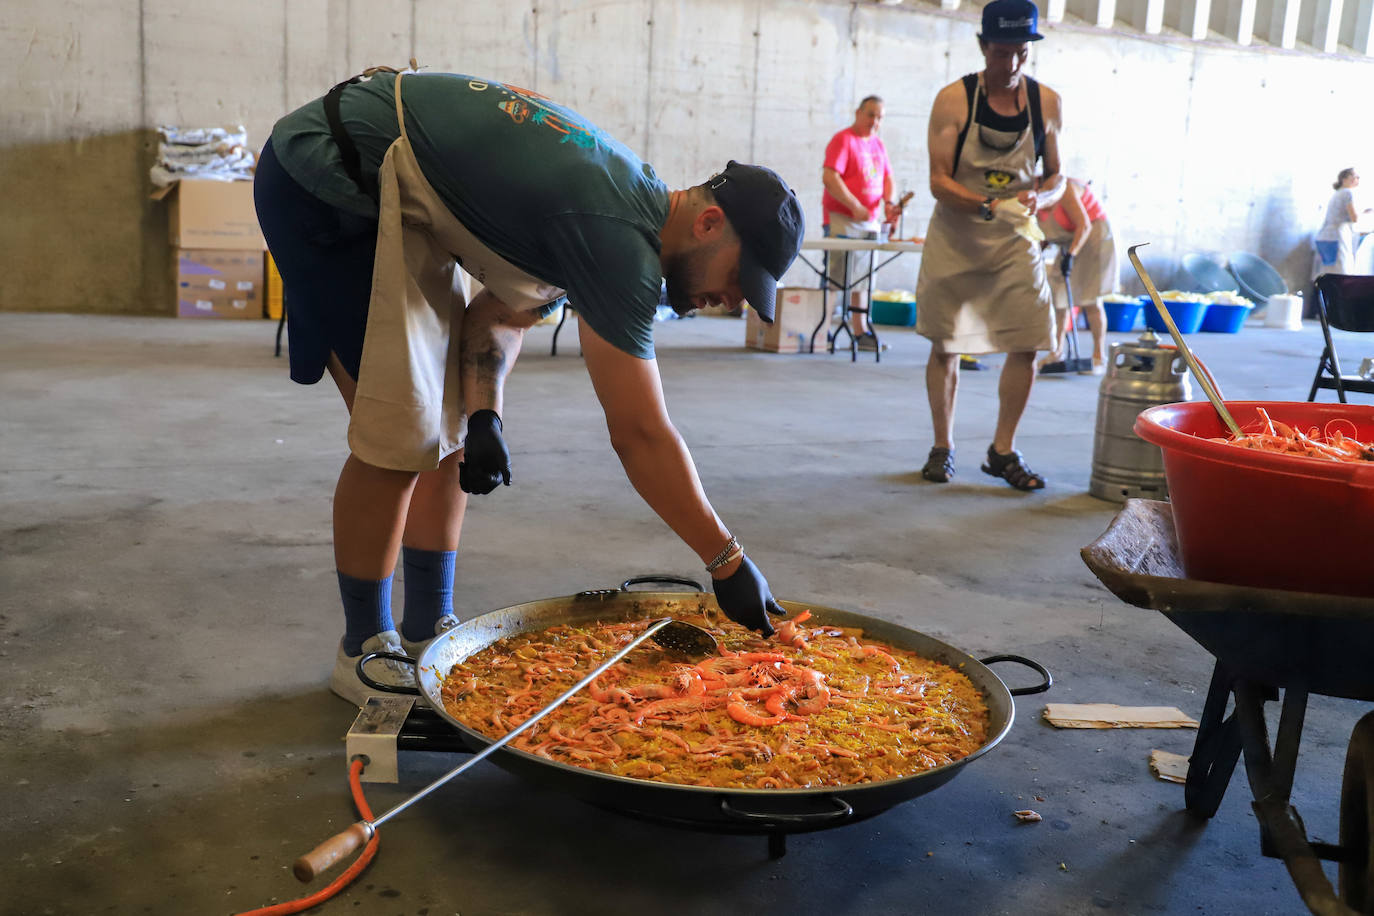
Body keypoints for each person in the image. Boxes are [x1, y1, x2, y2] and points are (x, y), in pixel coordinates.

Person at [253, 65, 804, 705]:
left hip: (392, 186)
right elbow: (641, 433)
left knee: (450, 425)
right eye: (742, 277)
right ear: (710, 224)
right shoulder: (617, 242)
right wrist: (726, 560)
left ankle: (429, 624)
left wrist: (486, 415)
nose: (732, 298)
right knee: (401, 429)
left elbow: (499, 314)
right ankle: (365, 649)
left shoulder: (627, 211)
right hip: (329, 178)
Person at [914, 0, 1064, 490]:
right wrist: (986, 204)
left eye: (1022, 53)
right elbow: (938, 180)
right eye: (1002, 53)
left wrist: (1043, 194)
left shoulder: (1047, 103)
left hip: (1015, 239)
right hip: (957, 238)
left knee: (1030, 340)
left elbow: (1059, 175)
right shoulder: (954, 100)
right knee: (946, 344)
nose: (1013, 64)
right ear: (983, 47)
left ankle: (1003, 450)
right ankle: (942, 446)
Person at [821, 96, 900, 341]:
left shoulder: (878, 144)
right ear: (858, 113)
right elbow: (830, 177)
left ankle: (861, 330)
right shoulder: (843, 140)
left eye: (880, 117)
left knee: (863, 278)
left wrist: (888, 203)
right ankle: (821, 331)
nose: (875, 121)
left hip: (869, 220)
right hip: (842, 218)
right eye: (871, 114)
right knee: (836, 276)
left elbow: (888, 178)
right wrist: (854, 205)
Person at [1036, 177, 1118, 375]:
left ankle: (1098, 357)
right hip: (1068, 242)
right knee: (1059, 298)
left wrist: (1071, 256)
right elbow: (1046, 234)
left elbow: (1084, 226)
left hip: (1093, 239)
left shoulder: (1063, 189)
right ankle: (1057, 351)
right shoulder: (1034, 199)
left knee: (1090, 299)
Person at [1314, 167, 1370, 276]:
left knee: (1326, 272)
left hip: (1325, 236)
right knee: (1340, 272)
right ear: (1344, 179)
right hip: (1337, 236)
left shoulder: (1337, 193)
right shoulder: (1347, 193)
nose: (1357, 179)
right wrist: (1366, 213)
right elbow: (1354, 218)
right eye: (1354, 177)